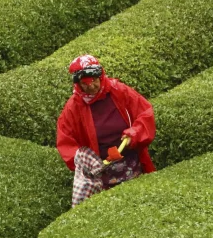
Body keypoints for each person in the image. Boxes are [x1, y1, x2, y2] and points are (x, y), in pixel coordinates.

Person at [56, 55, 156, 207]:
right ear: (78, 85)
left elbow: (145, 114)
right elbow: (65, 141)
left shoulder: (119, 91)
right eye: (85, 84)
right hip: (101, 171)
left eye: (94, 81)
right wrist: (86, 162)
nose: (91, 87)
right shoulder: (73, 108)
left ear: (100, 76)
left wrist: (134, 133)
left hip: (131, 163)